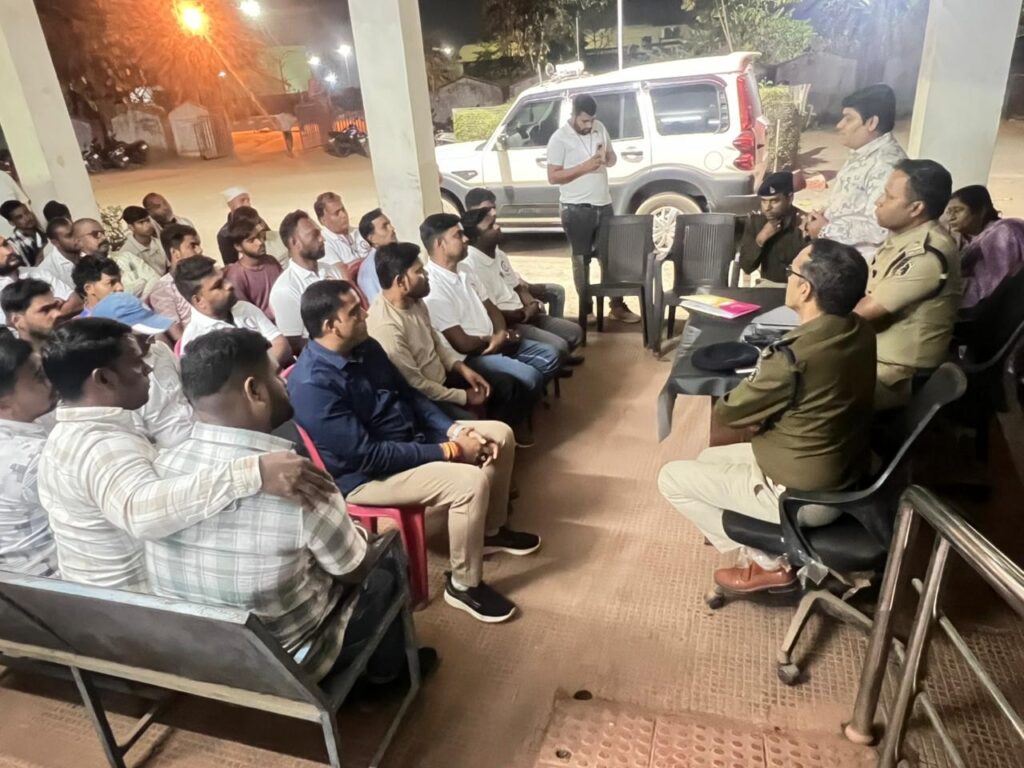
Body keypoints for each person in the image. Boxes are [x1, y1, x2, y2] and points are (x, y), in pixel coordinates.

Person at [148, 327, 436, 683]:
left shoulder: (161, 470)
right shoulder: (297, 480)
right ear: (255, 391)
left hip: (210, 657)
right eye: (275, 374)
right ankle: (388, 678)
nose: (284, 381)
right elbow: (354, 570)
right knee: (385, 563)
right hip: (292, 665)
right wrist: (364, 539)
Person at [289, 280, 541, 623]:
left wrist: (454, 430)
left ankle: (491, 531)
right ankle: (463, 584)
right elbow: (368, 455)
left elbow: (410, 395)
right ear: (331, 325)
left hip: (409, 439)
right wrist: (451, 450)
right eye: (354, 312)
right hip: (368, 476)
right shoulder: (311, 385)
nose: (366, 314)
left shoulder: (366, 347)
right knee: (469, 483)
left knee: (500, 434)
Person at [37, 318, 337, 591]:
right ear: (103, 379)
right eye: (137, 363)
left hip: (102, 600)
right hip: (134, 605)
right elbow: (141, 513)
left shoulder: (65, 437)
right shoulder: (100, 445)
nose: (148, 369)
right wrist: (253, 472)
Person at [659, 239, 876, 592]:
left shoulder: (792, 357)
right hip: (844, 471)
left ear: (805, 289)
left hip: (803, 495)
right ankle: (768, 551)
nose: (788, 278)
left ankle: (771, 563)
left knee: (670, 478)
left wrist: (765, 396)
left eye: (791, 272)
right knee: (707, 459)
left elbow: (729, 411)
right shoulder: (859, 329)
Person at [368, 241, 534, 441]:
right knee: (472, 427)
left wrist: (462, 369)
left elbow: (435, 343)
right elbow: (416, 385)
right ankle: (489, 444)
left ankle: (503, 440)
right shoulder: (387, 328)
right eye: (419, 271)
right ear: (401, 281)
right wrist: (464, 396)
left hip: (441, 376)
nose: (426, 274)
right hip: (423, 397)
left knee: (507, 385)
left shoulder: (415, 300)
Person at [420, 213, 560, 403]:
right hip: (472, 356)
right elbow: (462, 344)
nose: (466, 239)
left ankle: (522, 402)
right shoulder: (433, 286)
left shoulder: (465, 270)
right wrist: (499, 339)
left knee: (551, 355)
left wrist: (501, 333)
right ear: (440, 244)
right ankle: (515, 408)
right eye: (458, 235)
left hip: (495, 341)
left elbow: (491, 308)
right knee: (530, 377)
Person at [855, 159, 959, 410]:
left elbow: (861, 313)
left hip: (895, 378)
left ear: (916, 208)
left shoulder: (925, 254)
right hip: (874, 360)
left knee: (799, 396)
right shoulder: (904, 239)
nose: (878, 201)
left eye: (889, 197)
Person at [546, 94, 640, 325]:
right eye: (584, 121)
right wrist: (585, 167)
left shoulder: (600, 128)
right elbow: (553, 176)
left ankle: (616, 306)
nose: (589, 125)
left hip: (603, 204)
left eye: (592, 120)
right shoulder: (559, 138)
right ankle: (586, 309)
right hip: (575, 208)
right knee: (582, 261)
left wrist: (608, 158)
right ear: (574, 115)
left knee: (610, 258)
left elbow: (613, 157)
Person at [461, 206, 583, 365]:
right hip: (510, 322)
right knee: (559, 346)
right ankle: (555, 359)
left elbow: (518, 287)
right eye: (490, 227)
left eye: (495, 222)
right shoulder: (470, 265)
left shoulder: (499, 254)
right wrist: (523, 314)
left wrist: (532, 304)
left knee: (575, 332)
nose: (497, 227)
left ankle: (558, 358)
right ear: (476, 238)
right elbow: (490, 311)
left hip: (525, 313)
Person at [804, 84, 907, 262]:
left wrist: (827, 229)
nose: (839, 125)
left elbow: (881, 226)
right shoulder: (863, 153)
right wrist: (820, 215)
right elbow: (848, 202)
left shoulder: (886, 165)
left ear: (872, 123)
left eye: (848, 119)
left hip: (855, 263)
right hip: (836, 252)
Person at [91, 292, 193, 449]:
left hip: (198, 433)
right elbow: (141, 440)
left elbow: (188, 392)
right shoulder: (112, 382)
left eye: (151, 333)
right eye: (142, 336)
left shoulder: (161, 350)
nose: (151, 340)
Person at [0, 330, 59, 576]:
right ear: (3, 402)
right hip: (52, 584)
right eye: (39, 377)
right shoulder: (33, 457)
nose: (52, 381)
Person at [465, 187, 567, 318]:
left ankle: (549, 323)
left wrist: (530, 300)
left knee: (556, 292)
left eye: (494, 207)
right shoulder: (475, 244)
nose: (493, 213)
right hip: (505, 302)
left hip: (512, 285)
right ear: (471, 210)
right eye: (487, 209)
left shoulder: (493, 239)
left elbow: (506, 272)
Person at [175, 255, 292, 365]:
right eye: (218, 285)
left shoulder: (244, 307)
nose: (229, 285)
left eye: (224, 278)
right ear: (199, 301)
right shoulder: (195, 341)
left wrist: (261, 372)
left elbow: (281, 344)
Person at [269, 210, 344, 356]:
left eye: (320, 233)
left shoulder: (331, 270)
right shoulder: (285, 289)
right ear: (294, 242)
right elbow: (295, 343)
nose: (322, 239)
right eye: (314, 235)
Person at [945, 185, 1024, 309]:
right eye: (949, 212)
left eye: (958, 210)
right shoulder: (965, 239)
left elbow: (994, 286)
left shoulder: (1004, 233)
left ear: (981, 211)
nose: (951, 217)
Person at [738, 172, 807, 284]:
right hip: (769, 286)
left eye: (774, 201)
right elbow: (746, 267)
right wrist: (760, 240)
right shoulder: (757, 222)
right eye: (764, 201)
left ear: (790, 198)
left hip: (799, 286)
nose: (767, 208)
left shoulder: (803, 223)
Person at [73, 217, 160, 300]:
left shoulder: (126, 256)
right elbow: (108, 300)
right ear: (78, 242)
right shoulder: (79, 271)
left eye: (103, 233)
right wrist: (141, 283)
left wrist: (139, 302)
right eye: (95, 234)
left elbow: (155, 280)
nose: (103, 237)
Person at [223, 210, 283, 320]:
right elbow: (247, 315)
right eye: (251, 240)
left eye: (259, 236)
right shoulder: (236, 276)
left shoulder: (271, 261)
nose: (259, 242)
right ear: (238, 247)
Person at [148, 223, 203, 334]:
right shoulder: (163, 290)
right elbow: (178, 337)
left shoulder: (206, 276)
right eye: (193, 246)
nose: (200, 250)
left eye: (198, 245)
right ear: (175, 253)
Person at [1, 279, 62, 351]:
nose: (58, 314)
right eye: (45, 310)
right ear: (17, 320)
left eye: (56, 306)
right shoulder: (11, 357)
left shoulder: (70, 349)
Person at [315, 191, 371, 266]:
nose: (343, 215)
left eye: (343, 210)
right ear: (323, 220)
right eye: (336, 213)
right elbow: (340, 271)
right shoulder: (323, 244)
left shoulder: (360, 232)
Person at [356, 208, 398, 303]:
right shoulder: (369, 272)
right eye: (384, 227)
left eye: (390, 224)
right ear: (372, 238)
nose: (392, 229)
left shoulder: (401, 253)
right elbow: (378, 304)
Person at [120, 205, 168, 276]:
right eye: (141, 222)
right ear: (131, 227)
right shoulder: (126, 252)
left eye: (148, 220)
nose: (147, 225)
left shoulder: (161, 243)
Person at [37, 217, 80, 288]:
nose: (77, 237)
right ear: (56, 243)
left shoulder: (85, 249)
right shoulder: (46, 271)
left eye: (75, 232)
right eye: (69, 235)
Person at [1, 200, 45, 267]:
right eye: (19, 217)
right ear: (12, 223)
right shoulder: (12, 246)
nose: (27, 218)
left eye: (27, 213)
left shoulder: (41, 230)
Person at [217, 186, 252, 265]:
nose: (248, 204)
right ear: (230, 205)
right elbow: (231, 264)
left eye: (248, 200)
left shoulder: (258, 220)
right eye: (242, 200)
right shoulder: (224, 235)